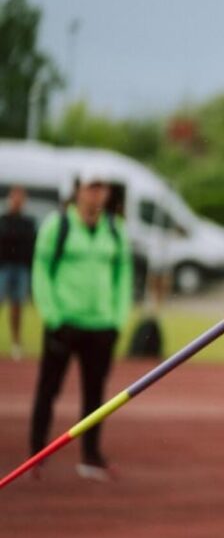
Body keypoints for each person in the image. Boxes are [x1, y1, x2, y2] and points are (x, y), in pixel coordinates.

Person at [30, 168, 133, 482]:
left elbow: (123, 277)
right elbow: (41, 270)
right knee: (48, 389)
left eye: (102, 188)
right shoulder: (57, 225)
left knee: (95, 396)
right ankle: (36, 453)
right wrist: (52, 316)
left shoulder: (114, 229)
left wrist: (117, 319)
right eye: (91, 187)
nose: (97, 193)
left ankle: (91, 456)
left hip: (101, 325)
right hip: (64, 323)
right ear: (77, 191)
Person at [0, 186, 36, 361]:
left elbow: (31, 246)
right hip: (3, 268)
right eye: (15, 197)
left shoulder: (28, 222)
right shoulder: (3, 220)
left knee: (17, 308)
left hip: (21, 269)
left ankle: (16, 343)